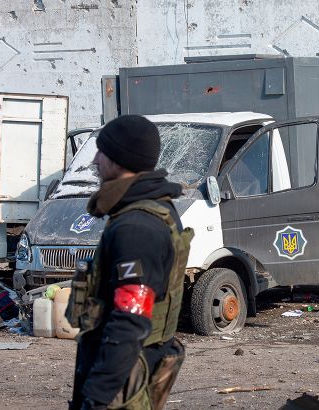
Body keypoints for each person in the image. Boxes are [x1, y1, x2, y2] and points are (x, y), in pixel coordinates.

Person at [66, 115, 194, 410]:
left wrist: (96, 397)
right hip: (128, 371)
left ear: (120, 160)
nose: (96, 160)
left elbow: (130, 321)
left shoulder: (136, 227)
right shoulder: (152, 209)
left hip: (123, 381)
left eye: (102, 152)